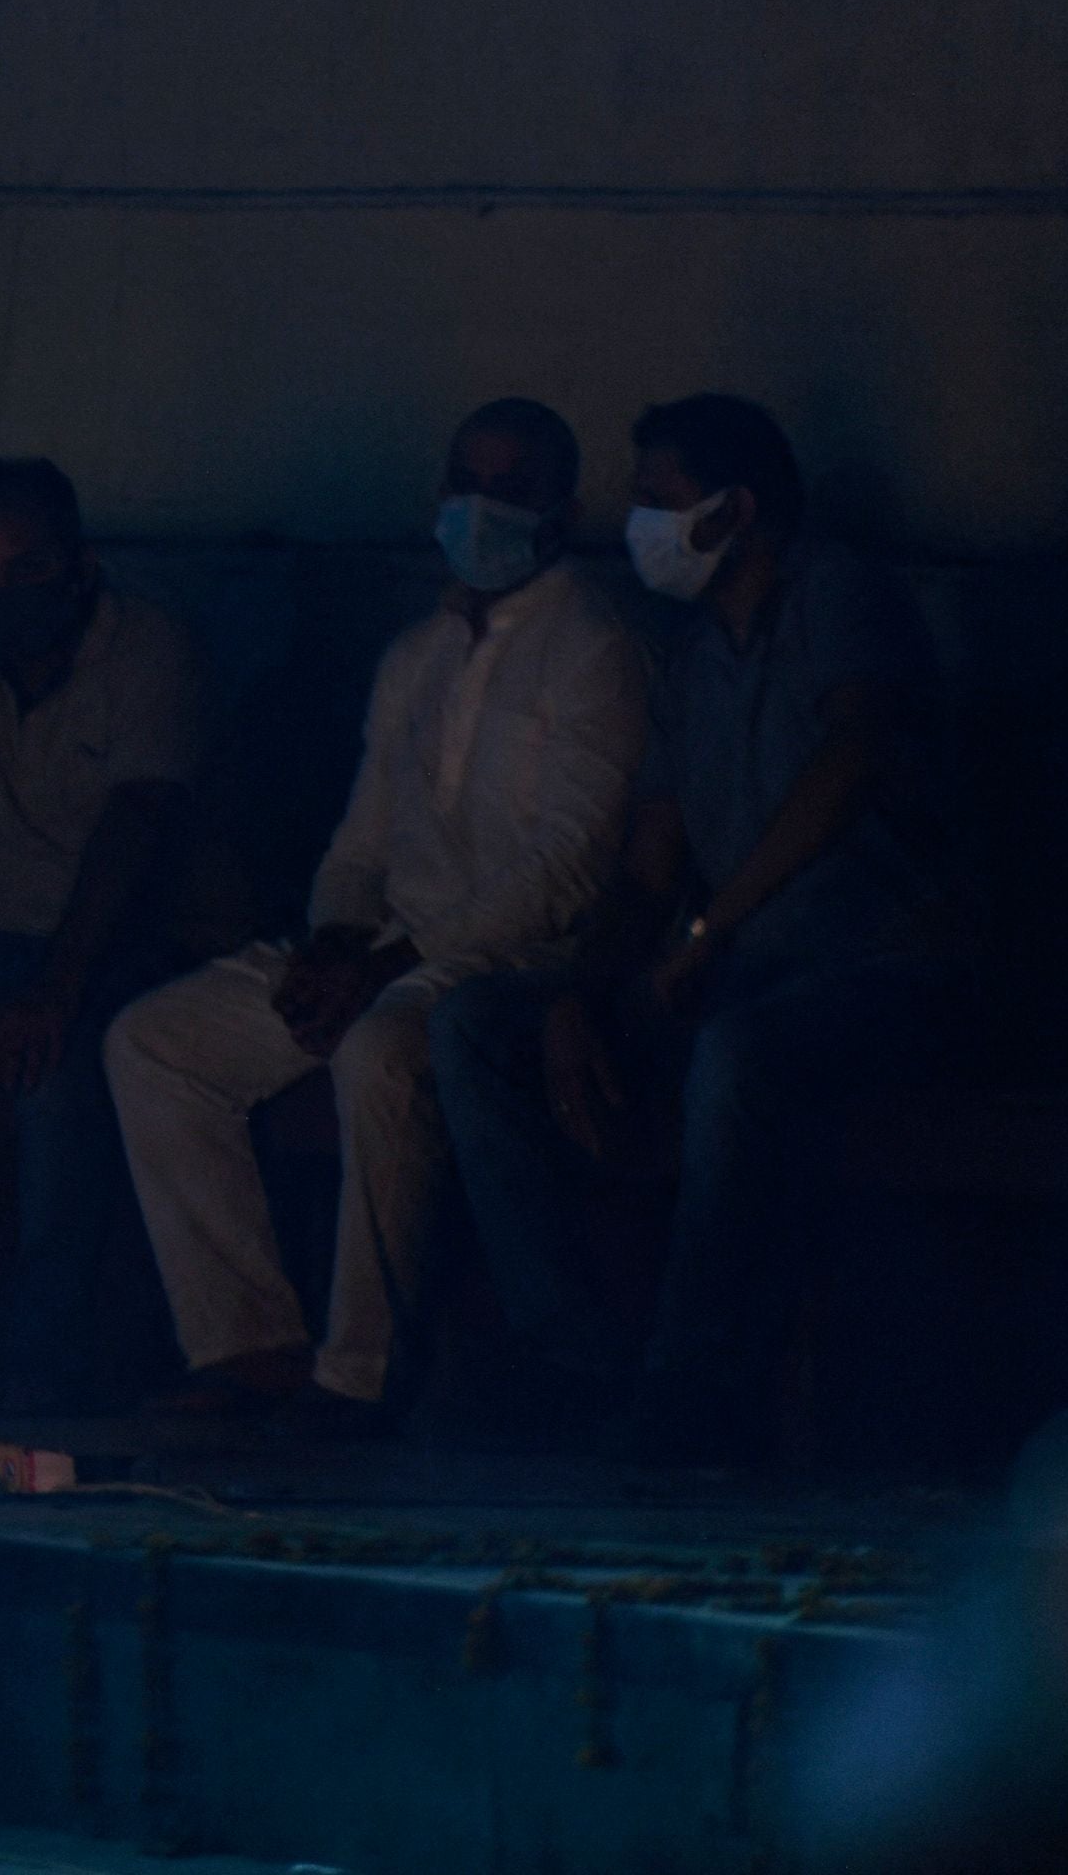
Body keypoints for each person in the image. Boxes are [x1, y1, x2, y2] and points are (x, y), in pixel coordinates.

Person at [105, 399, 646, 1430]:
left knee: (380, 1048)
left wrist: (388, 964)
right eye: (465, 482)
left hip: (510, 967)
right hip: (386, 948)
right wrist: (333, 944)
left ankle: (360, 1375)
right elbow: (361, 842)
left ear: (562, 512)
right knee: (155, 1043)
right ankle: (248, 1345)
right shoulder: (418, 656)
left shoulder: (595, 651)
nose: (479, 508)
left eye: (510, 488)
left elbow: (563, 873)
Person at [431, 393, 951, 1463]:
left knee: (738, 1054)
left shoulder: (837, 594)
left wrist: (711, 931)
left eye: (659, 504)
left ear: (736, 510)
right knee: (482, 1022)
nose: (641, 531)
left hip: (877, 969)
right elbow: (649, 860)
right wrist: (582, 989)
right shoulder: (689, 658)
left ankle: (690, 1389)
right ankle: (570, 1354)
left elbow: (849, 763)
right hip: (738, 968)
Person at [0, 456, 205, 1406]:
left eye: (25, 569)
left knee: (55, 1086)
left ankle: (44, 1366)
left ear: (78, 563)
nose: (3, 594)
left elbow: (133, 832)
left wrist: (55, 993)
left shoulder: (148, 651)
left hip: (121, 949)